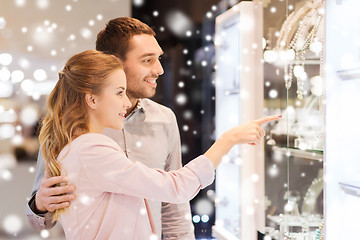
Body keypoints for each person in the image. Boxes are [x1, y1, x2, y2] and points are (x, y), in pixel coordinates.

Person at [38, 49, 280, 239]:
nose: (125, 103)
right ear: (91, 99)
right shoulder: (91, 149)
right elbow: (175, 187)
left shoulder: (78, 147)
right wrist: (228, 140)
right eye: (119, 92)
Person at [26, 17, 196, 239]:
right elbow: (40, 222)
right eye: (147, 60)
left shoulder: (165, 119)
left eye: (159, 59)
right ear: (115, 62)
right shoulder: (69, 126)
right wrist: (40, 204)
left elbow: (174, 209)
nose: (159, 69)